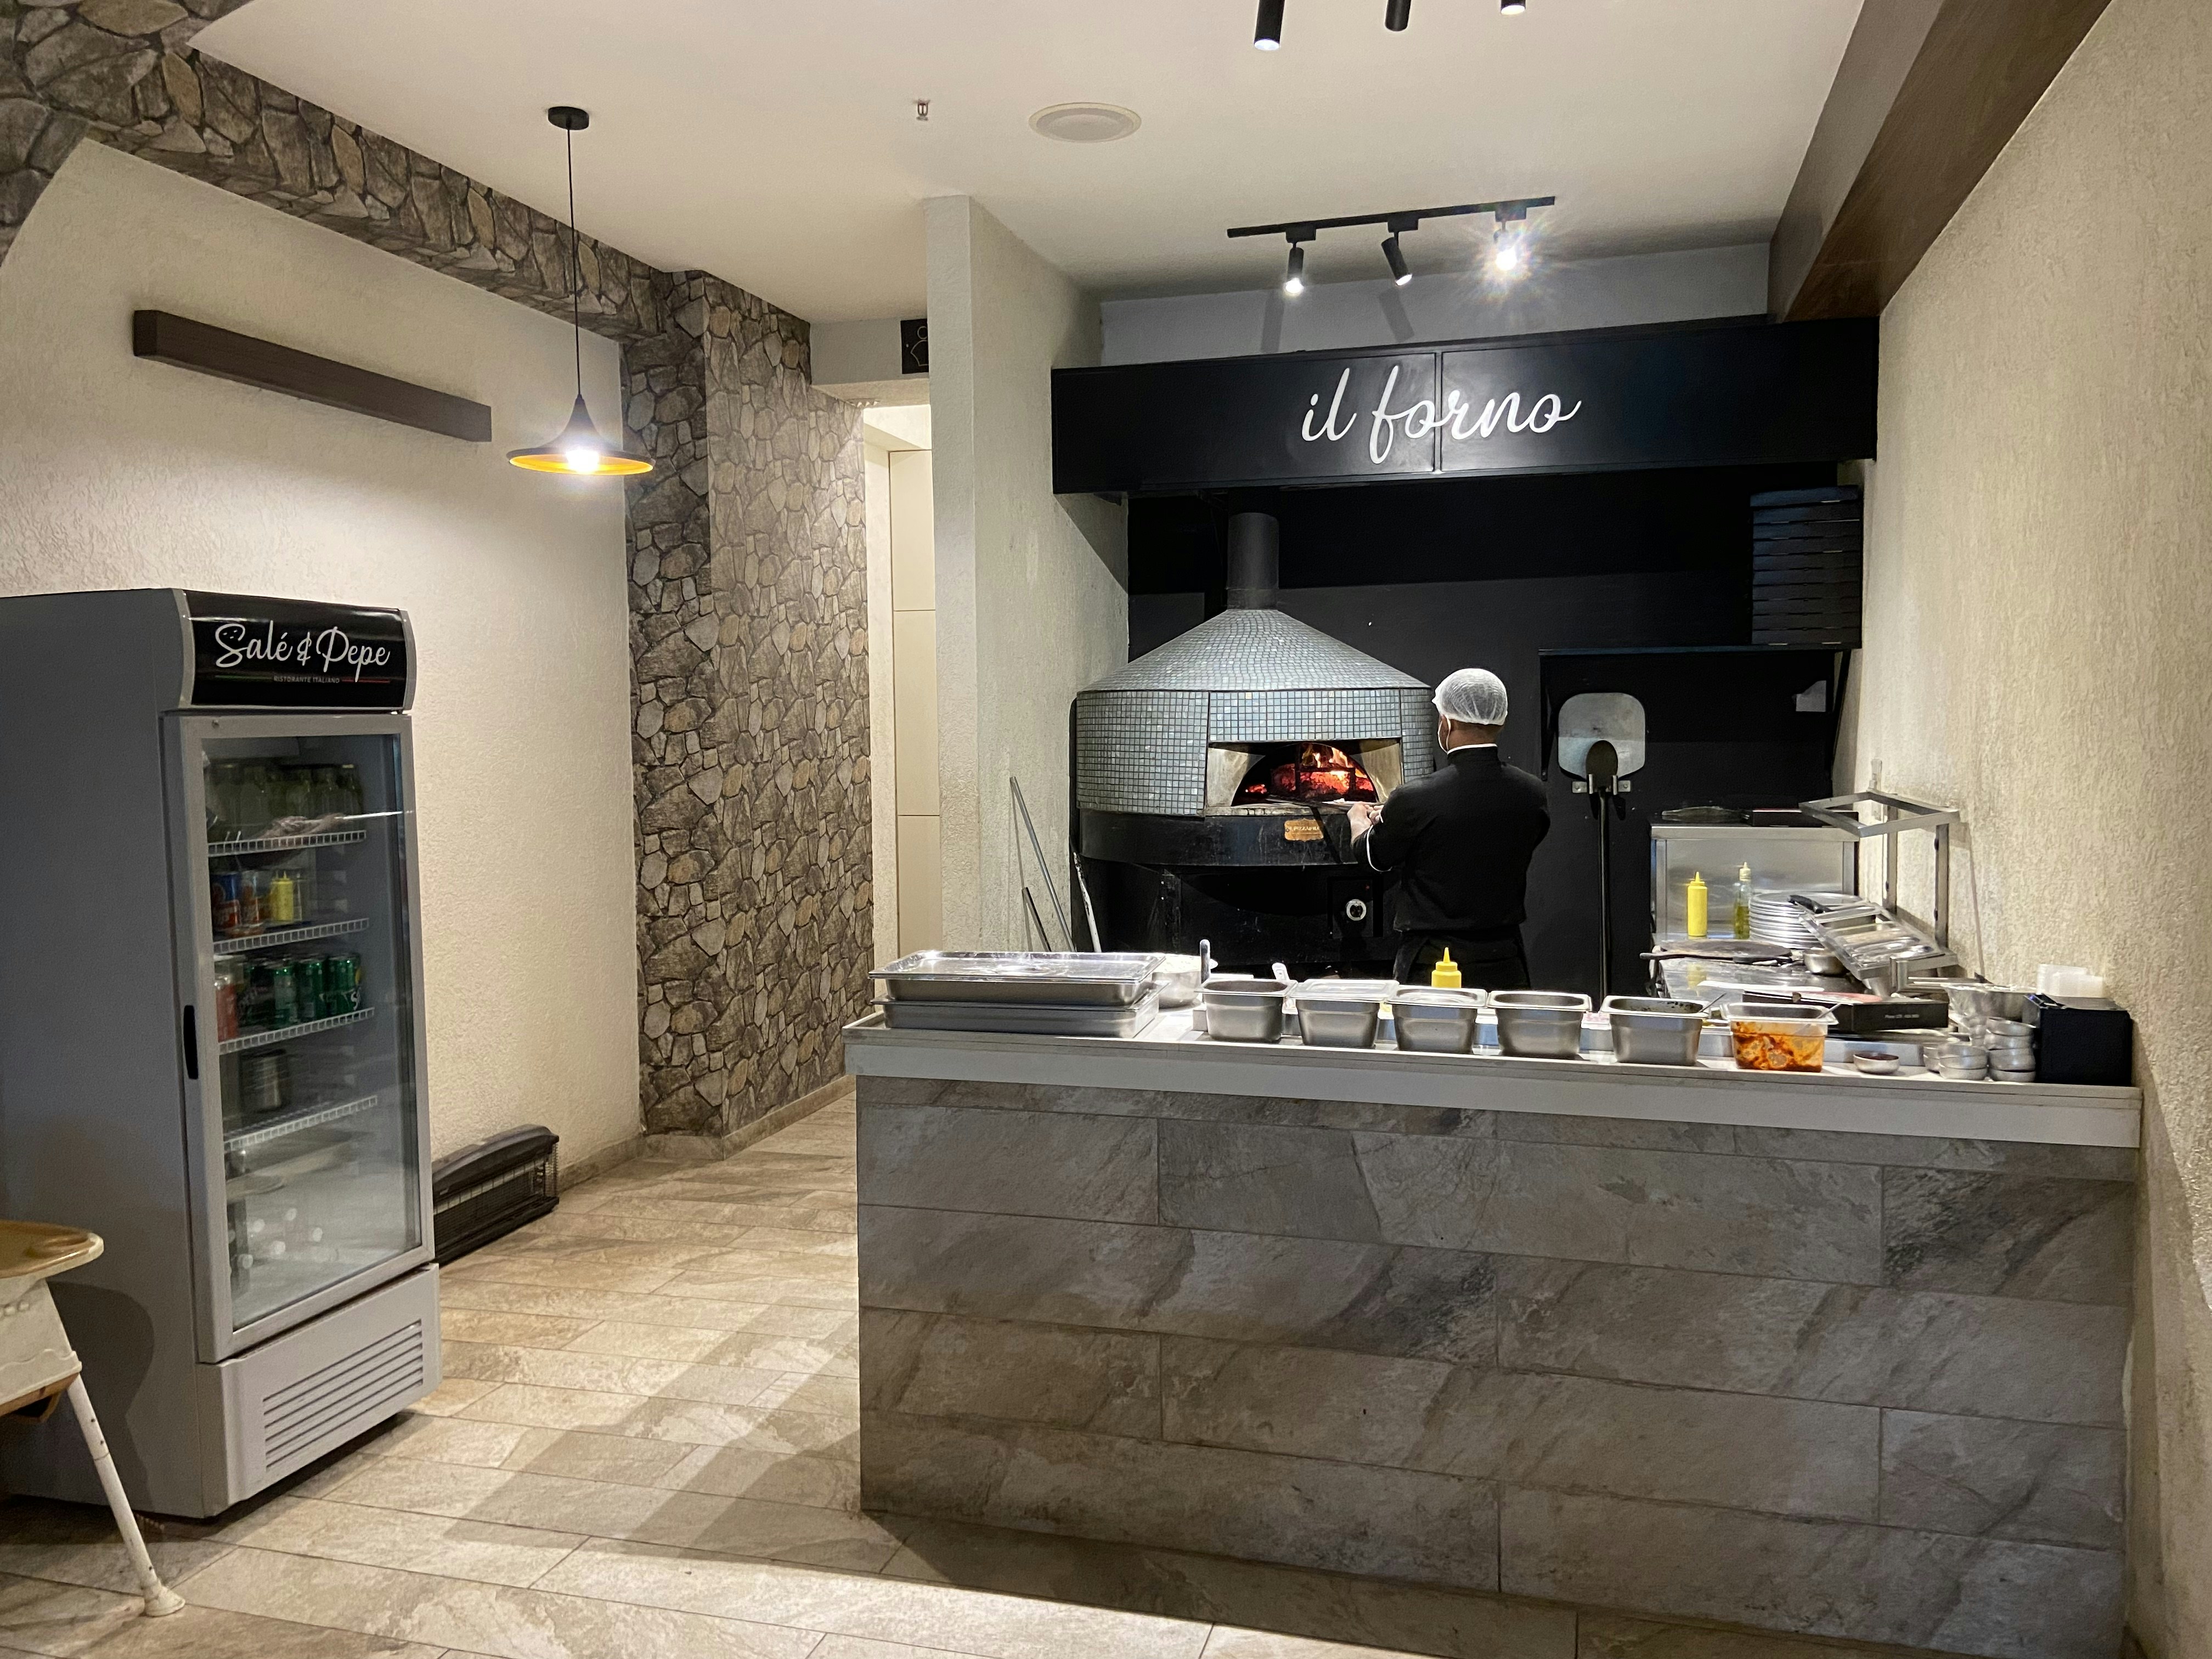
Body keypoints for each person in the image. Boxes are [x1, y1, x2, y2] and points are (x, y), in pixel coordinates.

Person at [1346, 667, 1550, 988]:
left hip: (1433, 961)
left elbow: (1374, 858)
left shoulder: (1416, 797)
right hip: (1505, 957)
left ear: (1448, 722)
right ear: (1501, 720)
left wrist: (1358, 820)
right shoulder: (1532, 793)